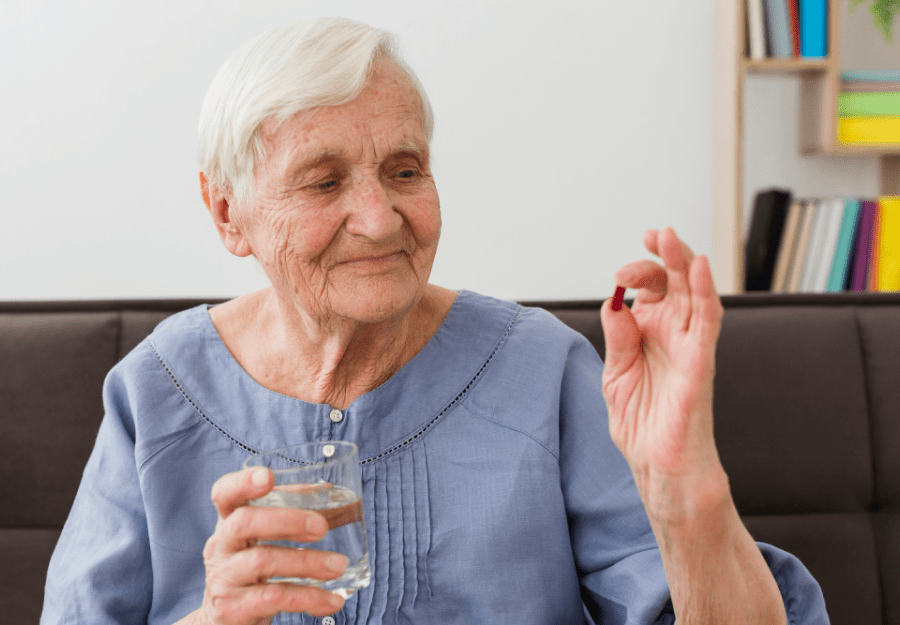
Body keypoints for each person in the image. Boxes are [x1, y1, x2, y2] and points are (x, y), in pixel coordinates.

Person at [41, 17, 828, 625]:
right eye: (323, 182)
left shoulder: (543, 372)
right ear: (227, 214)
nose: (380, 219)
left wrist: (686, 485)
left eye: (404, 169)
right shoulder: (157, 389)